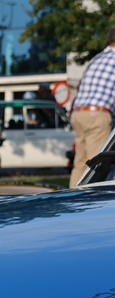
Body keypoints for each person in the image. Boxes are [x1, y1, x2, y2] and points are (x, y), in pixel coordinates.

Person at [70, 26, 115, 186]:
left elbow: (79, 86)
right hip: (97, 114)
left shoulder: (96, 59)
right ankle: (93, 199)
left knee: (80, 164)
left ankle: (73, 196)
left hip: (79, 113)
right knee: (97, 166)